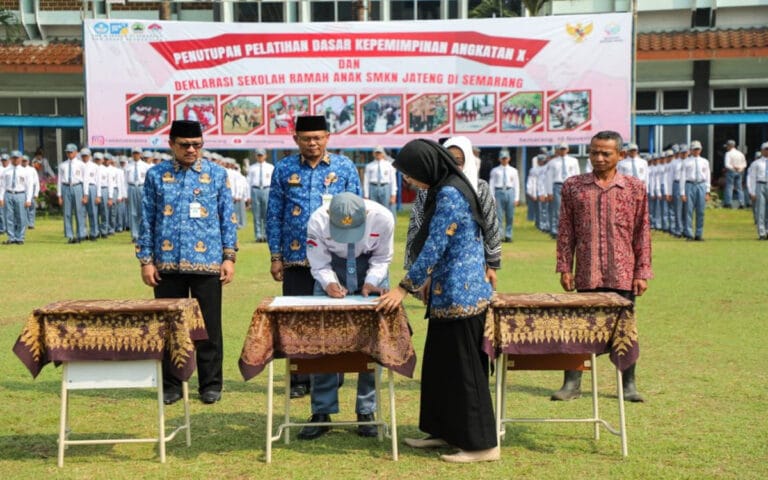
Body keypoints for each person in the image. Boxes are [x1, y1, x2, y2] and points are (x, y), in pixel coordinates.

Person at [377, 139, 499, 463]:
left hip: (462, 295)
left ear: (426, 167)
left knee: (465, 372)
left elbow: (435, 245)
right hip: (446, 294)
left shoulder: (449, 193)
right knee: (441, 368)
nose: (407, 180)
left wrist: (403, 288)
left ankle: (482, 446)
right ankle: (443, 431)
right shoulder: (442, 188)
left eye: (409, 173)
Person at [136, 119, 238, 405]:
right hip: (167, 264)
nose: (191, 150)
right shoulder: (156, 175)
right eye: (185, 145)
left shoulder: (216, 174)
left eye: (197, 145)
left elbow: (227, 218)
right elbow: (146, 219)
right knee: (170, 327)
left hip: (207, 262)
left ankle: (211, 384)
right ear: (171, 144)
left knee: (209, 327)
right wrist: (146, 260)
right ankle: (172, 384)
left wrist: (229, 257)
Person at [553, 130, 652, 403]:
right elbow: (566, 230)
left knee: (624, 328)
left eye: (606, 153)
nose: (599, 158)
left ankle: (628, 385)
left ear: (620, 155)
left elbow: (642, 232)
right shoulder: (574, 186)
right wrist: (565, 267)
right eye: (594, 152)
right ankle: (571, 384)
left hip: (623, 273)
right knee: (579, 328)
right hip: (587, 272)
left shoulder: (634, 188)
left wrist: (642, 272)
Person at [266, 115, 362, 399]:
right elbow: (274, 215)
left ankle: (333, 374)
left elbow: (357, 211)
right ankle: (300, 378)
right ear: (296, 139)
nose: (312, 143)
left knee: (332, 319)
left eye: (318, 138)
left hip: (335, 258)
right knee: (298, 319)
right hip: (296, 256)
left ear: (327, 138)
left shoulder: (344, 168)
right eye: (306, 138)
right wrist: (275, 256)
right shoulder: (284, 169)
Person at [299, 192, 394, 440]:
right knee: (324, 343)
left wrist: (372, 282)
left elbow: (382, 257)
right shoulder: (318, 220)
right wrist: (329, 283)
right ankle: (321, 412)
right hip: (332, 268)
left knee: (373, 343)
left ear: (367, 214)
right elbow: (319, 263)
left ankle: (366, 411)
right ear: (330, 216)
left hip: (370, 268)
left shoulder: (383, 218)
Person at [405, 136, 501, 288]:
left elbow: (491, 226)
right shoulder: (427, 189)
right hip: (435, 263)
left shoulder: (480, 188)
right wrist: (419, 271)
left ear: (468, 161)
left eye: (459, 161)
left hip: (469, 263)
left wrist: (492, 265)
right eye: (448, 159)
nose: (454, 165)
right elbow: (417, 227)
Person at [545, 143, 580, 239]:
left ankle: (569, 231)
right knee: (557, 209)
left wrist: (577, 189)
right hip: (557, 185)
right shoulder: (552, 162)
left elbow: (577, 176)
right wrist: (549, 192)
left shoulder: (574, 161)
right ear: (558, 150)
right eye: (561, 149)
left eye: (564, 149)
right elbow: (549, 177)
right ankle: (555, 231)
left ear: (567, 150)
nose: (563, 151)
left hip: (570, 186)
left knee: (571, 209)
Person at [0, 150, 34, 244]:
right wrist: (1, 197)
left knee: (21, 217)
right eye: (13, 158)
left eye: (17, 158)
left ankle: (20, 237)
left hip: (20, 194)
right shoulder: (6, 171)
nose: (15, 160)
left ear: (20, 159)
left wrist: (28, 199)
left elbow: (29, 186)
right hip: (8, 194)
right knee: (9, 216)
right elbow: (2, 185)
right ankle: (11, 237)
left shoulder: (25, 171)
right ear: (10, 159)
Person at [680, 140, 710, 241]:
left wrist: (707, 191)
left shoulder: (704, 161)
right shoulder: (686, 162)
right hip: (690, 184)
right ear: (691, 150)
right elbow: (682, 177)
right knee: (688, 210)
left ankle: (699, 234)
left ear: (700, 150)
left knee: (700, 211)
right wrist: (682, 193)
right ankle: (689, 234)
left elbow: (707, 176)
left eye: (698, 149)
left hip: (701, 184)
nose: (696, 151)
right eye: (694, 149)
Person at [57, 143, 88, 244]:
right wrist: (59, 195)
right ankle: (70, 235)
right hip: (66, 187)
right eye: (67, 152)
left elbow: (85, 180)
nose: (69, 154)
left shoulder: (81, 165)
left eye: (71, 152)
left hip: (77, 186)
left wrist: (85, 195)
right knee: (67, 213)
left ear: (76, 152)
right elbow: (59, 180)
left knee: (79, 212)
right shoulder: (63, 165)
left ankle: (80, 235)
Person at [489, 149, 520, 242]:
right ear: (499, 159)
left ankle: (508, 235)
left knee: (510, 215)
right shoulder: (495, 171)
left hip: (509, 191)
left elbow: (516, 184)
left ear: (509, 159)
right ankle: (499, 235)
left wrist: (516, 197)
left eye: (506, 158)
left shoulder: (513, 171)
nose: (504, 160)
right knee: (499, 215)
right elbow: (491, 184)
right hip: (499, 192)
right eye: (502, 158)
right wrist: (492, 197)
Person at [246, 147, 273, 242]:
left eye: (261, 155)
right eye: (258, 155)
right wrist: (248, 196)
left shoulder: (270, 167)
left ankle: (265, 234)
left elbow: (273, 182)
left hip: (266, 189)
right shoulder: (252, 168)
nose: (260, 157)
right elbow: (248, 182)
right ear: (256, 156)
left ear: (265, 156)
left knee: (266, 214)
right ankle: (258, 235)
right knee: (256, 214)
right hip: (255, 190)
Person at [126, 148, 151, 243]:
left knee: (142, 211)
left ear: (140, 154)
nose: (135, 155)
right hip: (131, 187)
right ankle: (135, 235)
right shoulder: (128, 166)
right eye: (134, 153)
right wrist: (124, 193)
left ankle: (142, 234)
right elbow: (124, 180)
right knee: (132, 212)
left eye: (137, 153)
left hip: (142, 187)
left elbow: (149, 181)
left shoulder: (145, 166)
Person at [363, 145, 397, 213]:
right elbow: (366, 181)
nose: (378, 154)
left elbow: (393, 180)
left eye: (379, 152)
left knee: (387, 209)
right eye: (376, 153)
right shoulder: (369, 166)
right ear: (373, 154)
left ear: (383, 153)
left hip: (385, 187)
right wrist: (366, 195)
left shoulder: (389, 165)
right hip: (373, 188)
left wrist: (393, 194)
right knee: (373, 209)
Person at [746, 142, 768, 240]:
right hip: (760, 184)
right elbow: (752, 178)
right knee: (760, 209)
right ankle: (762, 232)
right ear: (762, 150)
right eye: (766, 149)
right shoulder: (756, 163)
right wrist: (752, 191)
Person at [80, 148, 100, 241]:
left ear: (90, 156)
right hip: (81, 188)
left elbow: (98, 182)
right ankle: (83, 233)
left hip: (92, 187)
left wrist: (98, 195)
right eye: (83, 156)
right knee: (82, 212)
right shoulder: (79, 165)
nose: (84, 157)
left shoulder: (95, 166)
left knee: (93, 212)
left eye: (86, 156)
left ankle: (94, 233)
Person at [723, 140, 747, 209]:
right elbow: (744, 164)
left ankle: (728, 203)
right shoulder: (740, 153)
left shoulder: (728, 154)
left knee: (729, 187)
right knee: (739, 188)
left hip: (731, 171)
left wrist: (734, 168)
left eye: (727, 146)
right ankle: (742, 203)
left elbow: (727, 165)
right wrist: (740, 168)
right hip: (739, 172)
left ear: (729, 146)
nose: (726, 148)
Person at [21, 155, 40, 229]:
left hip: (31, 190)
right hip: (22, 190)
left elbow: (36, 182)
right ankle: (25, 223)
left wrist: (36, 193)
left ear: (28, 161)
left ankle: (31, 224)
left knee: (31, 207)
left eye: (25, 161)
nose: (24, 162)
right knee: (23, 207)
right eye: (23, 161)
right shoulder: (19, 169)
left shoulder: (32, 170)